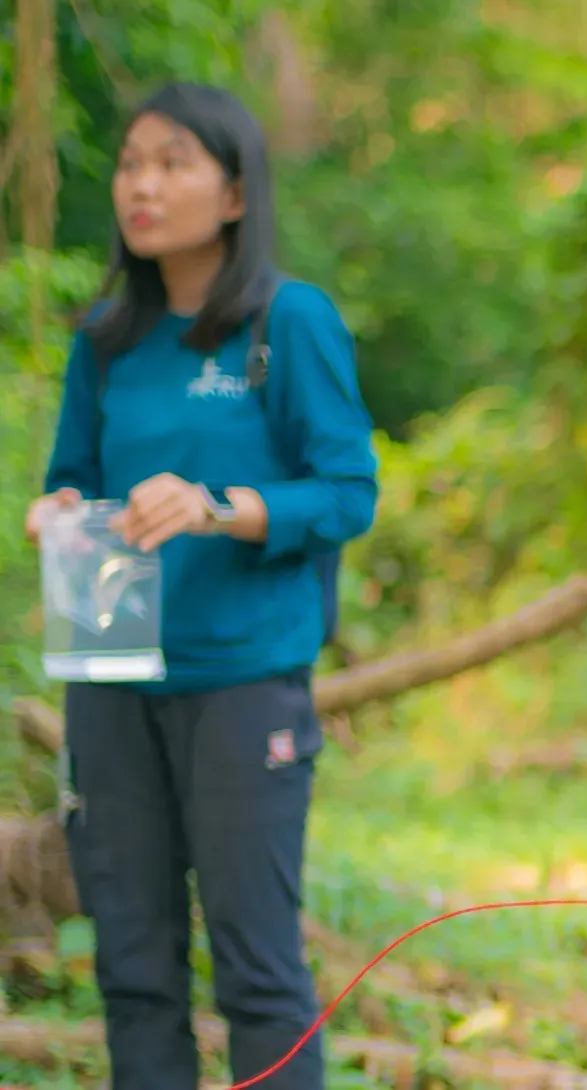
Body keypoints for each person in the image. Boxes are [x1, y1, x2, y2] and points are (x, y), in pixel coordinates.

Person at [21, 82, 378, 1090]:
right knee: (131, 965)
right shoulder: (106, 337)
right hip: (109, 676)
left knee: (257, 967)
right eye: (132, 163)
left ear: (233, 193)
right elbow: (73, 476)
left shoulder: (287, 322)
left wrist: (220, 505)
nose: (143, 184)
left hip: (242, 682)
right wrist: (54, 510)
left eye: (172, 162)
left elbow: (347, 492)